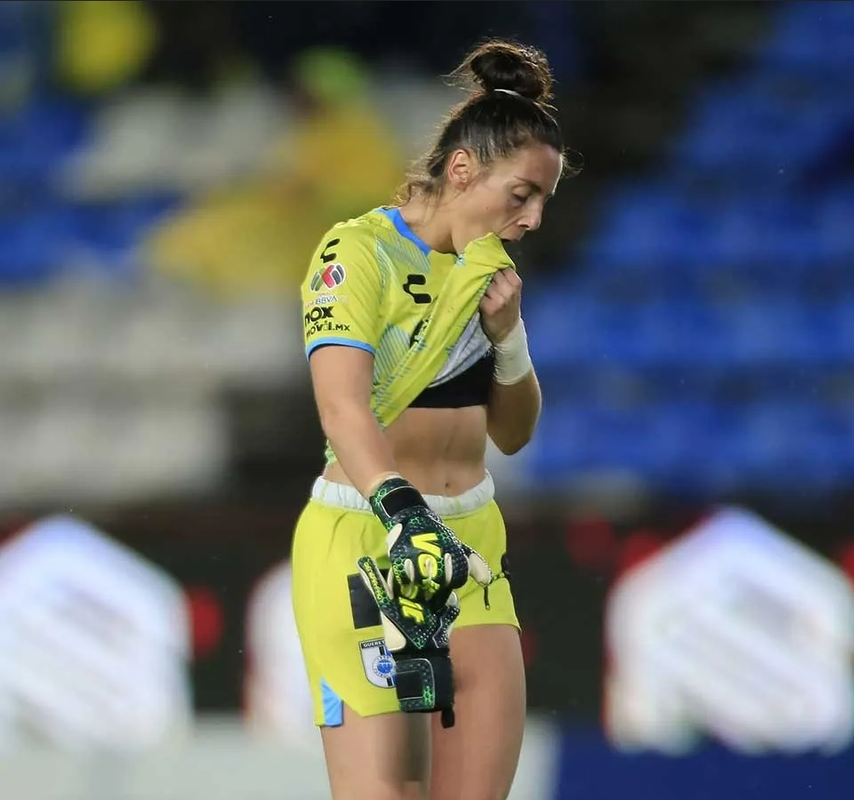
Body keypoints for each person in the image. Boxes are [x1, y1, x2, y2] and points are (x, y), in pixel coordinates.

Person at [290, 39, 568, 800]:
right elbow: (341, 405)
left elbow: (511, 432)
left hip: (468, 543)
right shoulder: (358, 254)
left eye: (543, 201)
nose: (533, 218)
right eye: (521, 195)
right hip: (368, 538)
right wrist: (403, 512)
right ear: (460, 170)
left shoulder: (489, 270)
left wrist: (509, 338)